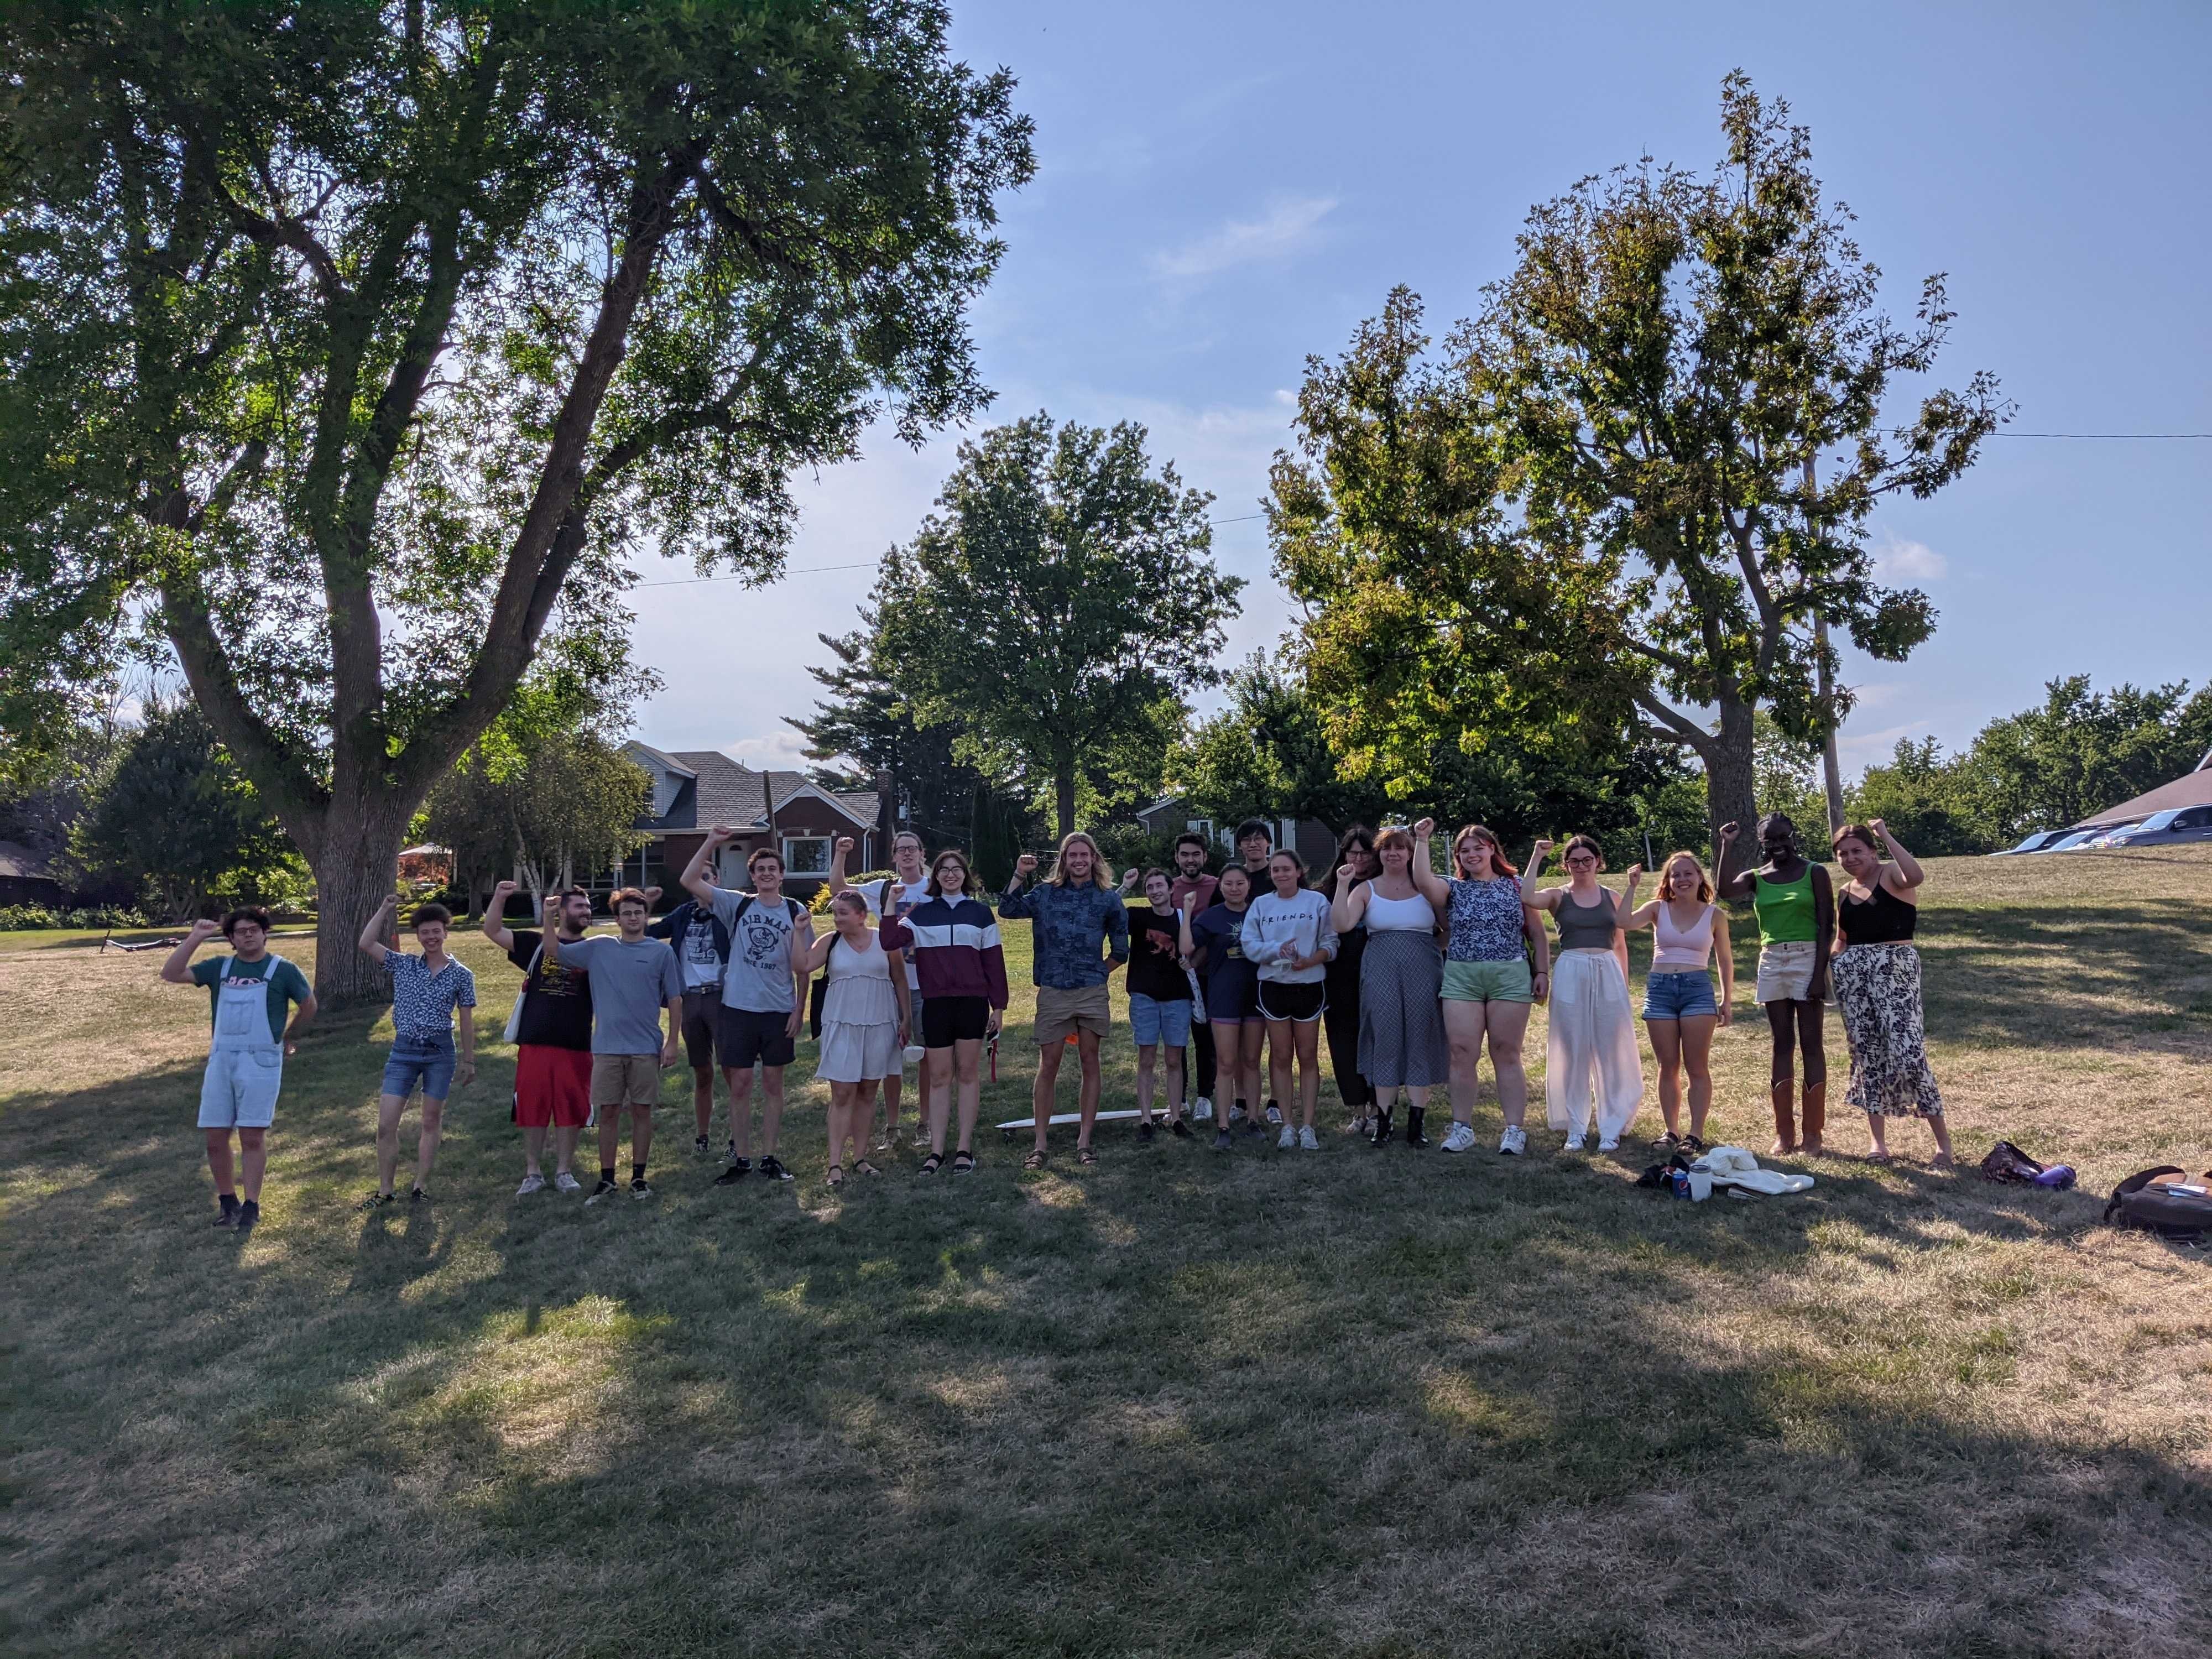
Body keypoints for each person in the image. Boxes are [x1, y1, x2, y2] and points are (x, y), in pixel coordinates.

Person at [162, 906, 316, 1235]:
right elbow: (172, 973)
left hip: (261, 1060)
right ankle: (228, 1200)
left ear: (264, 933)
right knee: (215, 1138)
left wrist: (287, 1037)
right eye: (240, 931)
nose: (248, 935)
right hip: (222, 1060)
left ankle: (252, 1205)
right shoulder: (220, 967)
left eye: (253, 929)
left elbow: (309, 1006)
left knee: (251, 1136)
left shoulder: (282, 969)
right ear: (231, 938)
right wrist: (196, 937)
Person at [1408, 821, 1550, 1154]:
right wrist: (1422, 839)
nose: (1472, 855)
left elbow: (1538, 934)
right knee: (1461, 1054)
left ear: (1491, 849)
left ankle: (1514, 1130)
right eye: (1464, 851)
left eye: (1478, 848)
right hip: (1461, 978)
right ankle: (1462, 1129)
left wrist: (1542, 971)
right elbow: (1422, 881)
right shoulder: (1454, 889)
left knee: (1506, 1052)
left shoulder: (1516, 886)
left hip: (1510, 976)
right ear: (1458, 857)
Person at [680, 832, 813, 1185]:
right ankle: (742, 1159)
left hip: (778, 1011)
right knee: (739, 1085)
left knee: (773, 1085)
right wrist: (710, 841)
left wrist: (799, 1011)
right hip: (737, 1009)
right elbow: (689, 880)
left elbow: (803, 967)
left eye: (773, 869)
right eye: (761, 870)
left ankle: (770, 1157)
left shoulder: (795, 911)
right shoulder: (736, 904)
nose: (767, 874)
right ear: (752, 876)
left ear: (782, 875)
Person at [999, 832, 1129, 1168]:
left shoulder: (1108, 900)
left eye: (1085, 855)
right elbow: (1008, 909)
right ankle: (1040, 1144)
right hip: (1054, 990)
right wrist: (1019, 874)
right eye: (1072, 855)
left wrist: (1100, 973)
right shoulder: (1044, 894)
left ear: (1094, 859)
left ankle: (1085, 1141)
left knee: (1090, 1061)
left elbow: (1121, 950)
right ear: (1064, 860)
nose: (1079, 861)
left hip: (1091, 991)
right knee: (1049, 1065)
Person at [546, 887, 684, 1202]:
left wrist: (673, 1042)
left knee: (642, 1112)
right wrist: (549, 917)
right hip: (607, 1047)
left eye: (638, 912)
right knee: (607, 1112)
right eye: (627, 913)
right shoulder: (599, 947)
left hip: (646, 1048)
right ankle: (606, 1179)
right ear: (617, 919)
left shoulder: (661, 953)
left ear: (646, 917)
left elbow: (675, 999)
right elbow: (554, 951)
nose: (633, 918)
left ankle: (638, 1177)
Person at [1830, 820, 1954, 1167]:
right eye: (1843, 853)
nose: (1850, 858)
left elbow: (1916, 876)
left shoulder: (1892, 876)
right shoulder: (1844, 891)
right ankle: (1877, 1143)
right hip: (1854, 974)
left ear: (1872, 850)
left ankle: (1944, 1145)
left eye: (1857, 851)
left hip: (1895, 967)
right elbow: (1843, 937)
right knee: (1867, 1053)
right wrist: (1831, 964)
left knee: (1909, 1052)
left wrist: (1885, 834)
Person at [884, 848, 1007, 1175]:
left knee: (967, 1074)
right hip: (936, 1004)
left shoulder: (981, 914)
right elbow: (888, 939)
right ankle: (936, 1151)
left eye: (956, 870)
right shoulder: (922, 913)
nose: (950, 874)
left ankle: (964, 1148)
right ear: (935, 876)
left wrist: (1000, 1007)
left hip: (972, 1003)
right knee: (939, 1078)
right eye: (944, 870)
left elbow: (994, 962)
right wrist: (890, 903)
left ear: (965, 876)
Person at [1717, 813, 1834, 1156]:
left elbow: (1827, 926)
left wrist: (1817, 976)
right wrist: (1727, 844)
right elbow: (1725, 891)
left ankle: (1813, 1134)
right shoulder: (1757, 878)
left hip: (1807, 957)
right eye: (1771, 841)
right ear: (1762, 843)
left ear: (1793, 837)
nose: (1779, 846)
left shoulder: (1815, 872)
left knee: (1811, 1044)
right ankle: (1785, 1133)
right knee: (1781, 1044)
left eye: (1784, 838)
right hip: (1771, 960)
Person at [1524, 837, 1645, 1152]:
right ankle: (1575, 1127)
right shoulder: (1558, 896)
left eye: (1587, 860)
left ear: (1598, 861)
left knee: (1610, 1049)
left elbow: (1620, 943)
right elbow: (1527, 896)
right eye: (1574, 861)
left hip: (1607, 970)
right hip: (1571, 968)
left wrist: (1624, 983)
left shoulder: (1612, 897)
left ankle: (1611, 1127)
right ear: (1566, 865)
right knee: (1573, 1048)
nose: (1581, 866)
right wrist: (1537, 856)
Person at [1329, 825, 1447, 1147]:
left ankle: (1417, 1123)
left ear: (1410, 854)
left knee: (1420, 1036)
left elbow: (1449, 928)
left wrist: (1426, 952)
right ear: (1379, 854)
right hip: (1380, 967)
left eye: (1400, 848)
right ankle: (1384, 1122)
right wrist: (1342, 885)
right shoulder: (1366, 889)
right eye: (1386, 849)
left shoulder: (1426, 887)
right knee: (1386, 1035)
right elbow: (1342, 924)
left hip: (1423, 968)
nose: (1393, 853)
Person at [356, 896, 477, 1206]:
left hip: (440, 1052)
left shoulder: (462, 974)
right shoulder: (404, 964)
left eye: (436, 931)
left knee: (430, 1121)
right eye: (425, 933)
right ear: (418, 936)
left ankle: (420, 1186)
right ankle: (385, 1190)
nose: (431, 937)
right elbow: (366, 942)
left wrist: (468, 1059)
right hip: (404, 1051)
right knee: (386, 1124)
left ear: (446, 932)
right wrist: (384, 909)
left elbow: (465, 1018)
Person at [483, 881, 594, 1194]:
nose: (586, 911)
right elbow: (492, 930)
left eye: (587, 907)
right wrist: (500, 897)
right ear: (560, 912)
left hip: (575, 1043)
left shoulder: (593, 950)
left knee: (571, 1108)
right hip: (535, 1041)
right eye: (579, 906)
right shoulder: (533, 944)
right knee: (532, 1106)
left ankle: (564, 1171)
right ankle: (532, 1173)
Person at [1617, 852, 1733, 1151]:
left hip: (1697, 990)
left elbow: (1724, 960)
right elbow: (1624, 922)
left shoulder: (1714, 915)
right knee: (1667, 1066)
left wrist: (1727, 1000)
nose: (1682, 880)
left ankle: (1695, 1134)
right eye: (1675, 875)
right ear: (1668, 881)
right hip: (1660, 991)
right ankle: (1671, 1130)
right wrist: (1632, 886)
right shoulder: (1658, 909)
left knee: (1697, 1067)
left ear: (1699, 877)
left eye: (1687, 874)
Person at [828, 830, 932, 1149]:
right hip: (891, 986)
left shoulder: (934, 887)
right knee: (891, 1060)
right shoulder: (882, 889)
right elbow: (838, 891)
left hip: (929, 985)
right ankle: (892, 1126)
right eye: (901, 850)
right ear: (894, 856)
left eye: (912, 849)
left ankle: (926, 1124)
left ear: (922, 853)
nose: (907, 854)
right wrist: (842, 854)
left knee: (928, 1057)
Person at [803, 890, 912, 1187]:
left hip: (880, 1023)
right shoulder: (830, 941)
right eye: (835, 913)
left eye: (842, 913)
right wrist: (797, 933)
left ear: (861, 915)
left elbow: (900, 979)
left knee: (867, 1092)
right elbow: (801, 966)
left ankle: (860, 1158)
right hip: (841, 1025)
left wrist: (907, 1018)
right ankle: (834, 1164)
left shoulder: (884, 940)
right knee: (842, 1094)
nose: (837, 918)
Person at [1241, 849, 1339, 1150]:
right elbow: (1250, 944)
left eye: (1286, 869)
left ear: (1299, 871)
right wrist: (1277, 951)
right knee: (1281, 1057)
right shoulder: (1261, 904)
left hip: (1310, 985)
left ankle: (1307, 1125)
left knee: (1308, 1056)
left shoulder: (1317, 902)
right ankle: (1287, 1125)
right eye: (1275, 870)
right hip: (1273, 986)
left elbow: (1331, 942)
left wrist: (1311, 961)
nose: (1281, 874)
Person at [1182, 864, 1264, 1152]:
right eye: (1228, 884)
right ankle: (1224, 1126)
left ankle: (1253, 1120)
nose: (1234, 889)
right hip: (1223, 996)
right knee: (1227, 1063)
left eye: (1240, 883)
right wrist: (1188, 912)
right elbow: (1186, 948)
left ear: (1248, 885)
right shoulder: (1212, 917)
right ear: (1221, 886)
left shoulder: (1260, 911)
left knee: (1252, 1061)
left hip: (1255, 995)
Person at [646, 884, 731, 1160]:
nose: (701, 885)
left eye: (707, 878)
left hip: (721, 997)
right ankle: (702, 1137)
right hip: (690, 999)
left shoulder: (729, 912)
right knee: (702, 1072)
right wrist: (646, 905)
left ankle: (735, 1138)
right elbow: (649, 934)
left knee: (732, 1071)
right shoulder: (683, 913)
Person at [1125, 868, 1195, 1139]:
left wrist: (1188, 914)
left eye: (1159, 886)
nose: (1154, 891)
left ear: (1170, 889)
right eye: (1149, 887)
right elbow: (1105, 912)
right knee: (1146, 1059)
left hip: (1177, 997)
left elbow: (1191, 949)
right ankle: (1145, 1120)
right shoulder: (1138, 917)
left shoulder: (1181, 918)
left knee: (1174, 1060)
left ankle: (1176, 1117)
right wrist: (1125, 886)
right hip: (1144, 996)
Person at [1318, 826, 1379, 1134]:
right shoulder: (1328, 890)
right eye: (1351, 852)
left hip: (1378, 972)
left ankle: (1380, 1107)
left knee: (1379, 1039)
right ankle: (1358, 1110)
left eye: (1364, 852)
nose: (1357, 858)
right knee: (1344, 1041)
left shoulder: (1386, 885)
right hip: (1339, 975)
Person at [1232, 818, 1282, 1124]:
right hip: (1240, 970)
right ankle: (1240, 1100)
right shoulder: (1234, 877)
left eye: (1258, 839)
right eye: (1247, 840)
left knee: (1277, 1042)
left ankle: (1276, 1101)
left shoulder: (1278, 876)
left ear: (1268, 843)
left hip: (1276, 969)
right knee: (1240, 1042)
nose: (1253, 844)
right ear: (1240, 846)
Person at [1168, 833, 1220, 1120]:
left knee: (1205, 1038)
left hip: (1206, 974)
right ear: (1177, 857)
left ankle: (1205, 1097)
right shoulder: (1169, 887)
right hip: (1173, 976)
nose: (1190, 860)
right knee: (1177, 1039)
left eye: (1196, 854)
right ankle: (1180, 1097)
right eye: (1185, 854)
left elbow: (1218, 930)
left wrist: (1196, 961)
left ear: (1204, 857)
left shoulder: (1216, 886)